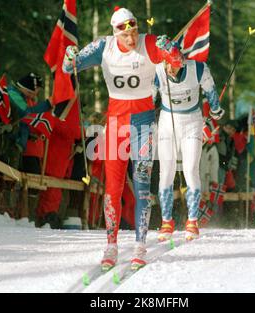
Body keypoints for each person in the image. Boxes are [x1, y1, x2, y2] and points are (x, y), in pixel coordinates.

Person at [63, 7, 183, 271]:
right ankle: (111, 244)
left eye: (134, 31)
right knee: (113, 187)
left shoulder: (149, 43)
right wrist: (69, 54)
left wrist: (171, 49)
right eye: (126, 34)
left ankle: (140, 244)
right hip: (116, 124)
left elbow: (177, 66)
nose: (131, 39)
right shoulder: (103, 47)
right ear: (116, 31)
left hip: (143, 124)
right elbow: (68, 67)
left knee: (141, 186)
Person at [153, 57, 224, 242]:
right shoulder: (158, 70)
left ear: (181, 62)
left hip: (192, 122)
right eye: (167, 63)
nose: (170, 68)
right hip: (167, 122)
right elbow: (149, 99)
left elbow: (211, 91)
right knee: (166, 171)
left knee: (190, 169)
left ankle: (192, 221)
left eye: (174, 64)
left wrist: (216, 109)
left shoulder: (198, 69)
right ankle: (166, 221)